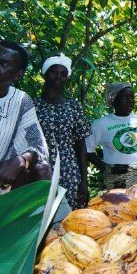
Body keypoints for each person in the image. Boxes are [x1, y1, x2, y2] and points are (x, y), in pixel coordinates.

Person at [0, 40, 50, 223]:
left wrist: (21, 160)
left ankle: (47, 231)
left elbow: (38, 145)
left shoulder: (20, 101)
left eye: (3, 63)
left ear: (18, 75)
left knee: (42, 169)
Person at [34, 54, 91, 209]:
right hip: (39, 169)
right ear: (45, 74)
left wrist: (84, 181)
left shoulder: (73, 106)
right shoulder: (32, 105)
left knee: (71, 218)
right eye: (53, 72)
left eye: (63, 74)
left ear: (67, 79)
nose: (58, 77)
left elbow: (81, 145)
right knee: (41, 215)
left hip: (69, 171)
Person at [86, 83, 137, 189]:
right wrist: (104, 167)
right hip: (117, 179)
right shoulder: (101, 124)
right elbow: (87, 149)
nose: (130, 100)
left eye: (132, 97)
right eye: (125, 97)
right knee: (118, 204)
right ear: (114, 100)